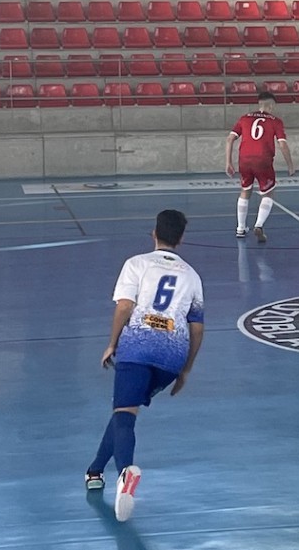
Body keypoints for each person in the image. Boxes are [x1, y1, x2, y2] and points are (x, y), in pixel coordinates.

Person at [84, 209, 205, 523]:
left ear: (154, 233)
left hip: (138, 345)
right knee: (125, 410)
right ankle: (95, 471)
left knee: (124, 414)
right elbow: (197, 328)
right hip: (172, 355)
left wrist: (112, 343)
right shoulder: (192, 275)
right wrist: (186, 369)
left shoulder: (136, 264)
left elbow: (125, 305)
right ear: (181, 238)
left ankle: (125, 473)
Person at [225, 91, 296, 242]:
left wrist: (228, 162)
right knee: (268, 193)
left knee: (245, 190)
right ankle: (259, 225)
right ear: (271, 105)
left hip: (244, 159)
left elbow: (230, 139)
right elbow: (282, 144)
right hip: (263, 160)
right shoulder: (275, 121)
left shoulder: (245, 118)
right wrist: (290, 165)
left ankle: (240, 228)